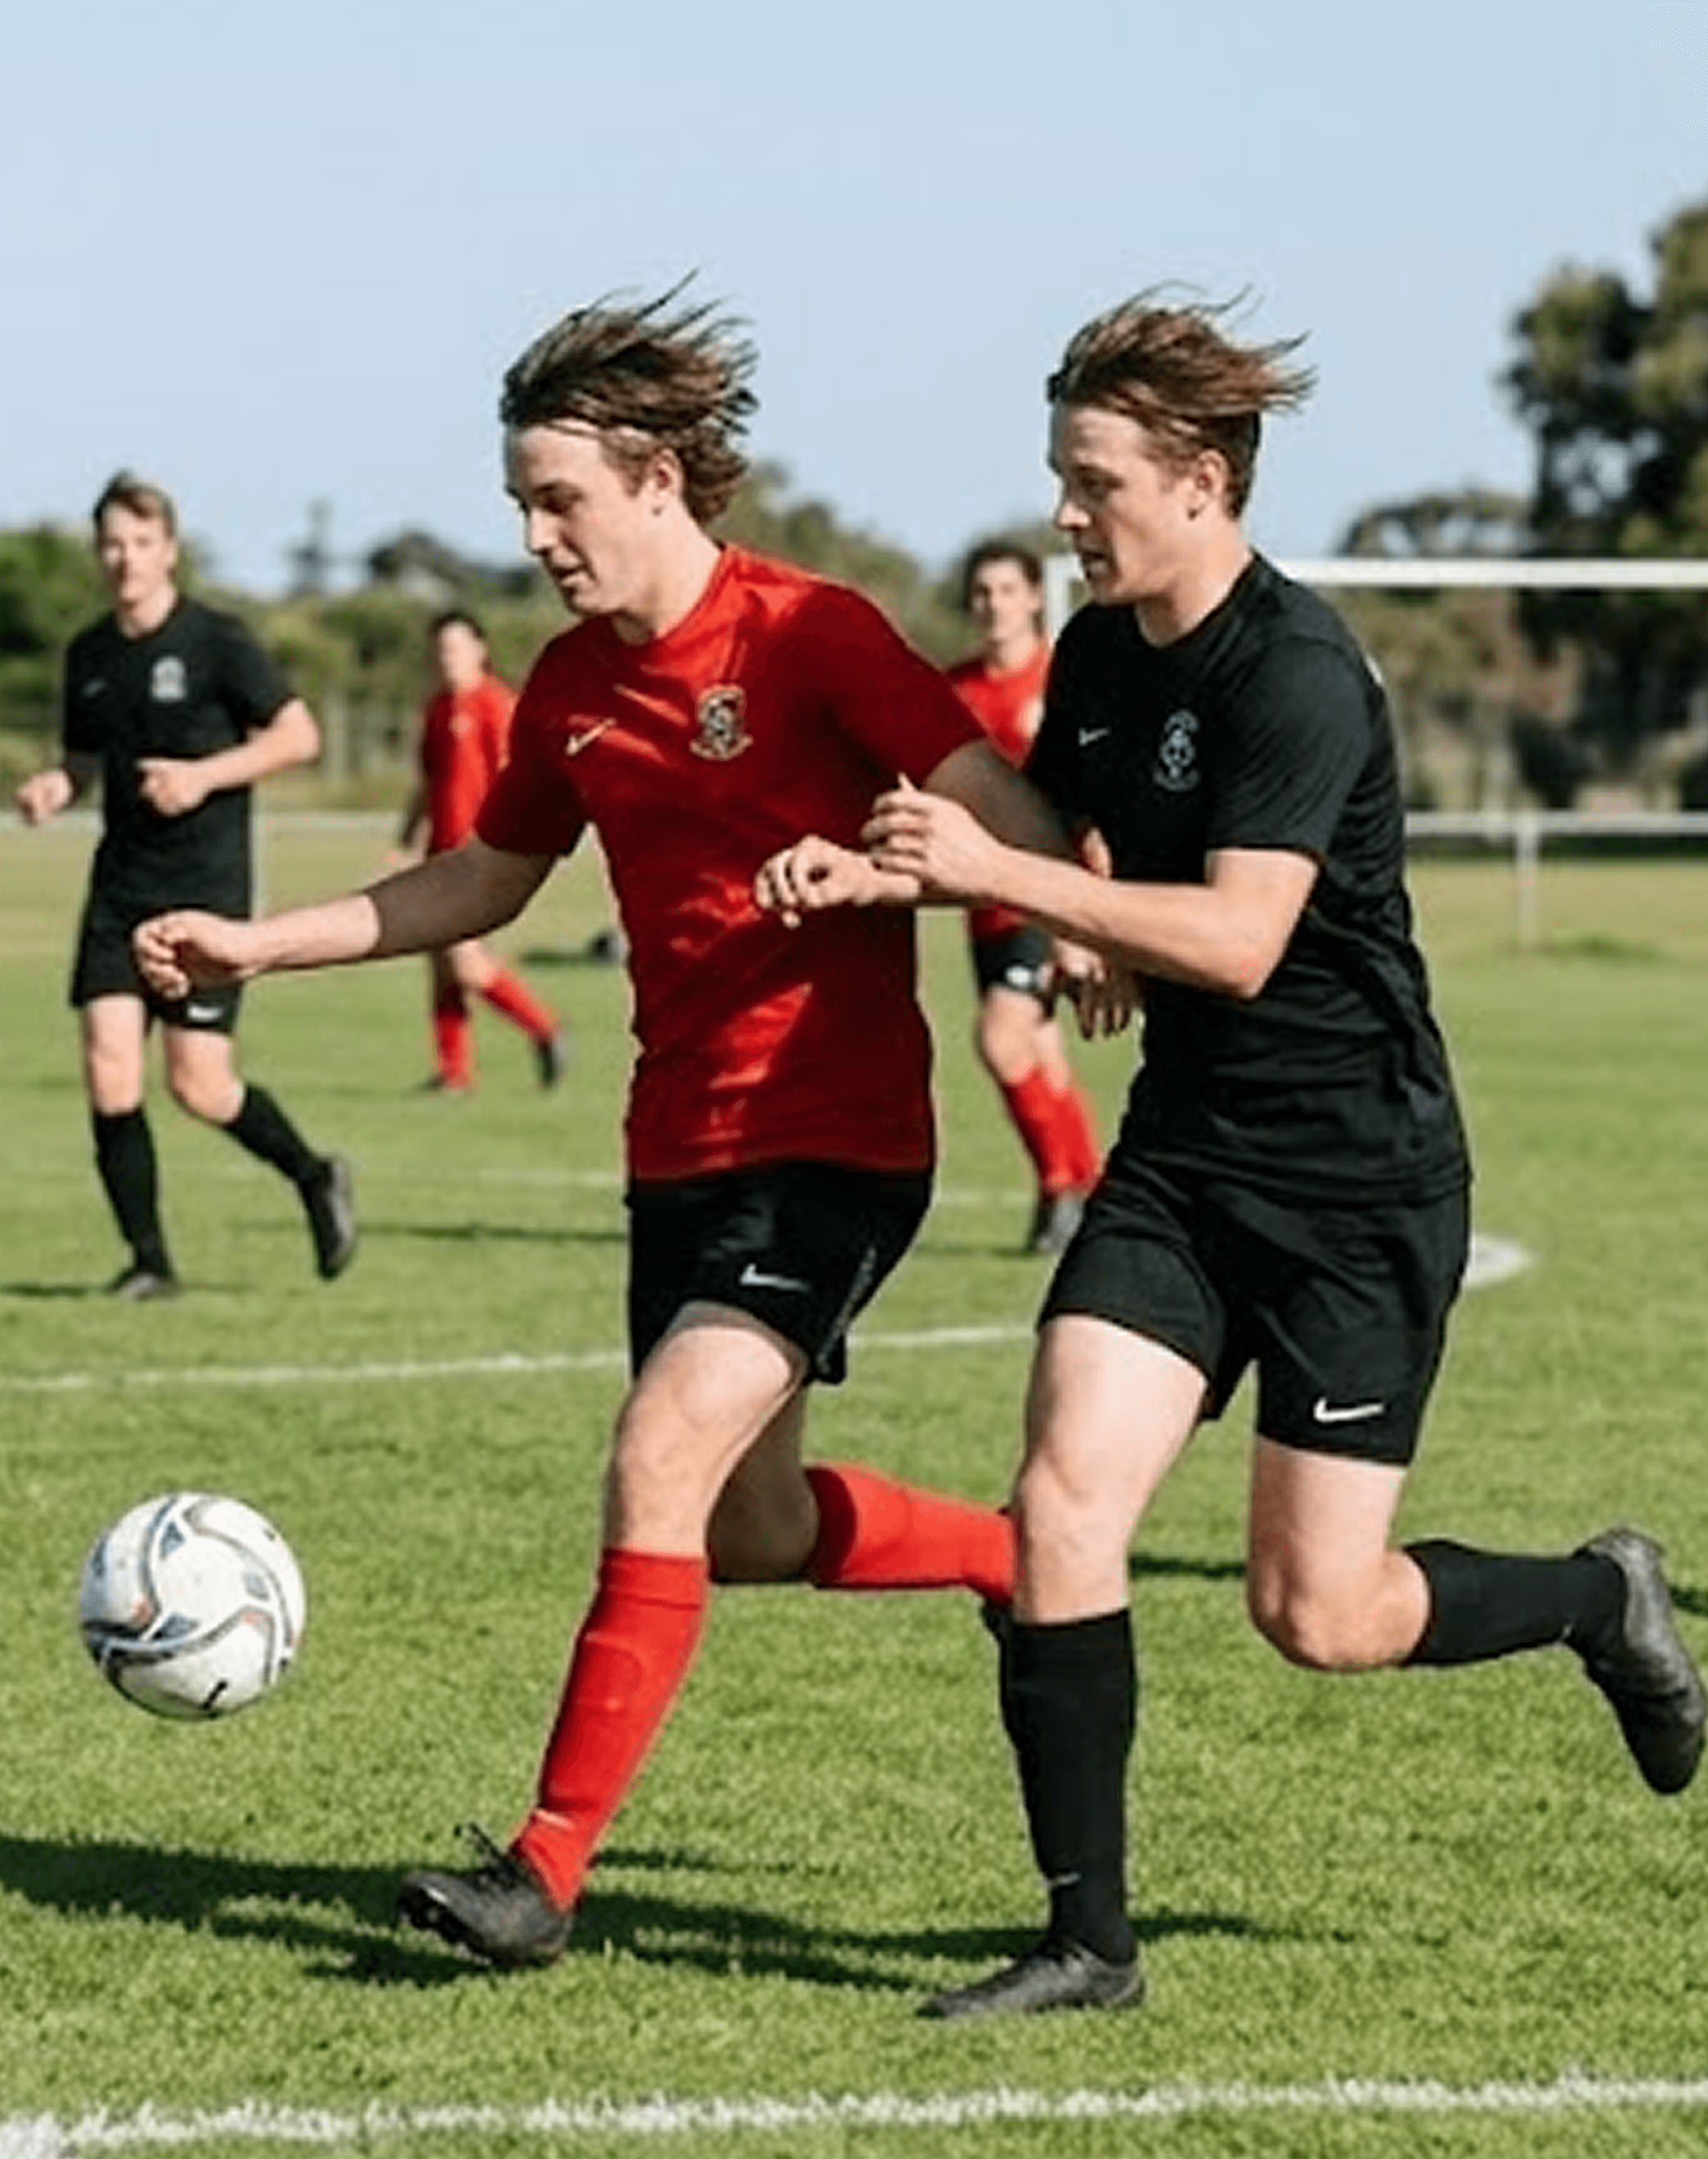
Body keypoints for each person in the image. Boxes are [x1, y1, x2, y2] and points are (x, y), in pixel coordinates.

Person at [788, 291, 1708, 2021]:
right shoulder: (1100, 652)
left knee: (1319, 1608)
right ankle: (1088, 1944)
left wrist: (1026, 891)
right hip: (1183, 1166)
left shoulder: (1297, 671)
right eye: (1062, 478)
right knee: (1060, 1503)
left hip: (1359, 1184)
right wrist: (935, 872)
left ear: (1200, 482)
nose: (1065, 514)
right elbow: (1058, 824)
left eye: (1094, 482)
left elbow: (1235, 938)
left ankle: (1601, 1595)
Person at [134, 285, 1052, 1972]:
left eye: (556, 499)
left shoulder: (812, 632)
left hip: (836, 1135)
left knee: (657, 1447)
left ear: (657, 479)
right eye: (518, 504)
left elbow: (1004, 820)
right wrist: (262, 943)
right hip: (674, 1146)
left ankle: (542, 1871)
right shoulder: (565, 686)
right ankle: (1014, 1555)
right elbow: (483, 879)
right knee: (746, 1525)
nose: (535, 536)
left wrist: (936, 887)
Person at [14, 472, 356, 1300]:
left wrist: (204, 776)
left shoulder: (217, 641)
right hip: (118, 888)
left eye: (141, 543)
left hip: (205, 888)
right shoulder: (89, 653)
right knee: (108, 1071)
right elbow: (82, 761)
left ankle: (313, 1174)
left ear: (168, 550)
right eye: (111, 544)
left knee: (198, 1085)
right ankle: (150, 1262)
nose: (125, 559)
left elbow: (298, 735)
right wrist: (56, 785)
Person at [946, 540, 1101, 1253]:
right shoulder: (956, 688)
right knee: (1040, 1051)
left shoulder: (1063, 680)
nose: (994, 604)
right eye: (982, 592)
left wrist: (1086, 908)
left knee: (1000, 1038)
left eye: (1007, 590)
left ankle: (1060, 1189)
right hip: (981, 904)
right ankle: (1088, 1186)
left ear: (1036, 597)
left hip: (1044, 894)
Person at [397, 609, 570, 1093]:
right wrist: (405, 838)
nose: (446, 658)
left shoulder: (496, 706)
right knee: (441, 966)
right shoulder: (436, 708)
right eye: (440, 649)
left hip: (478, 854)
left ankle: (545, 1029)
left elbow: (519, 777)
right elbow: (428, 782)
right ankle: (455, 1073)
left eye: (455, 647)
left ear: (480, 649)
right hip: (439, 854)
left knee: (464, 962)